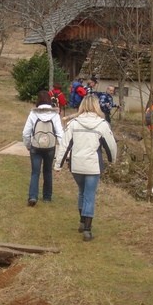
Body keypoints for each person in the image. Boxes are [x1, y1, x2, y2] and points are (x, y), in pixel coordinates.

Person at [54, 94, 117, 241]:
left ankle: (82, 222)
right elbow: (111, 145)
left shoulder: (74, 123)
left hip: (76, 165)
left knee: (82, 192)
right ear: (96, 106)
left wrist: (58, 165)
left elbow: (64, 145)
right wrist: (112, 160)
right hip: (93, 166)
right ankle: (87, 230)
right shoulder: (102, 124)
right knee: (90, 194)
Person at [22, 90, 65, 206]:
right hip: (50, 147)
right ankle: (47, 197)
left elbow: (26, 133)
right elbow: (60, 133)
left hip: (35, 146)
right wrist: (63, 148)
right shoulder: (54, 114)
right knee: (47, 171)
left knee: (35, 172)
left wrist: (28, 145)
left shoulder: (33, 113)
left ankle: (32, 196)